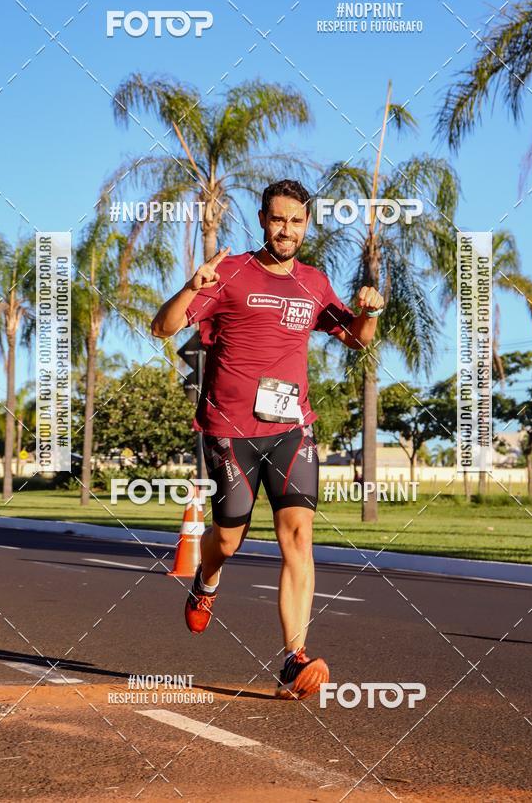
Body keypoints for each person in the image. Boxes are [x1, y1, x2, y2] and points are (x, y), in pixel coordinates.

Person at [151, 179, 384, 700]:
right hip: (230, 430)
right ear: (262, 220)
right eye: (278, 220)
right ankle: (206, 579)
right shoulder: (230, 272)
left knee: (298, 538)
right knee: (229, 539)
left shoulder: (314, 281)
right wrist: (193, 285)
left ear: (307, 224)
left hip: (292, 429)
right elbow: (161, 327)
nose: (287, 229)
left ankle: (292, 660)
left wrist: (367, 311)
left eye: (296, 221)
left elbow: (356, 339)